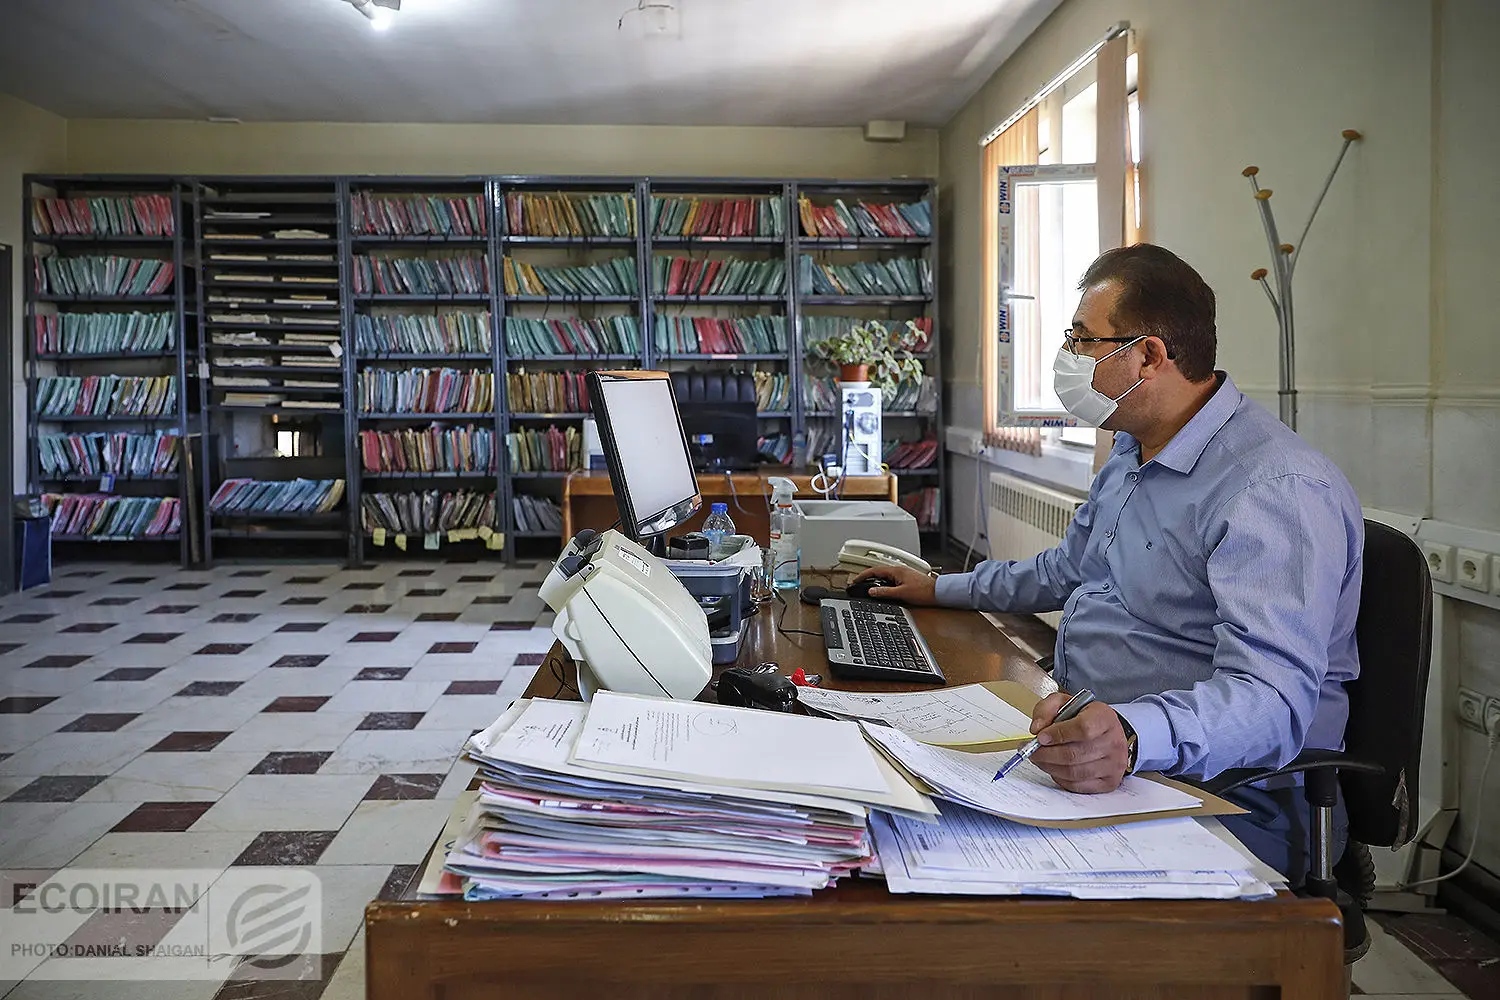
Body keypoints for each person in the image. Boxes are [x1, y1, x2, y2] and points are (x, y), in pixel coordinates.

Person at [853, 243, 1363, 883]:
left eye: (1083, 339)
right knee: (886, 806)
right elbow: (1067, 570)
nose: (1068, 355)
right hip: (1092, 747)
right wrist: (938, 587)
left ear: (1149, 355)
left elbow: (1271, 702)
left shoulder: (1273, 489)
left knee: (954, 881)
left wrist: (1130, 734)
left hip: (1227, 793)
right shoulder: (1133, 447)